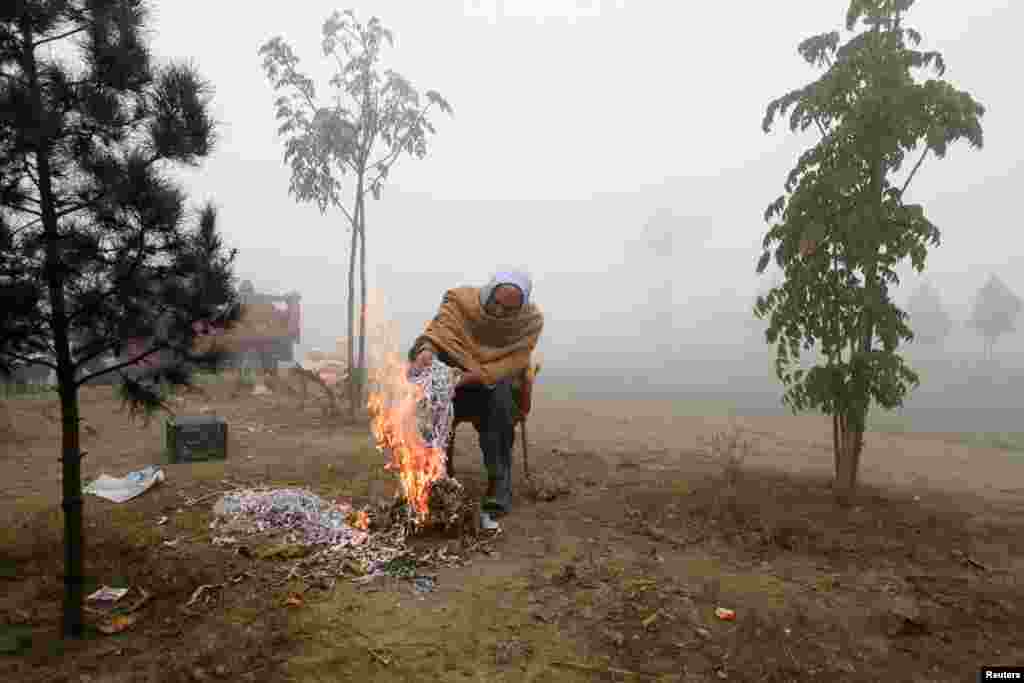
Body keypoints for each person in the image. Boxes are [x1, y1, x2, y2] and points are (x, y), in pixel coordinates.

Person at [408, 270, 544, 520]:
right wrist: (427, 352)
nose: (500, 312)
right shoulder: (459, 301)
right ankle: (439, 478)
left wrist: (474, 376)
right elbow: (436, 334)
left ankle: (499, 482)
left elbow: (516, 360)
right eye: (497, 303)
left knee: (501, 398)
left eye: (509, 309)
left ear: (521, 307)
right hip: (452, 388)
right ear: (488, 291)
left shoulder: (530, 321)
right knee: (433, 401)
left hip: (492, 392)